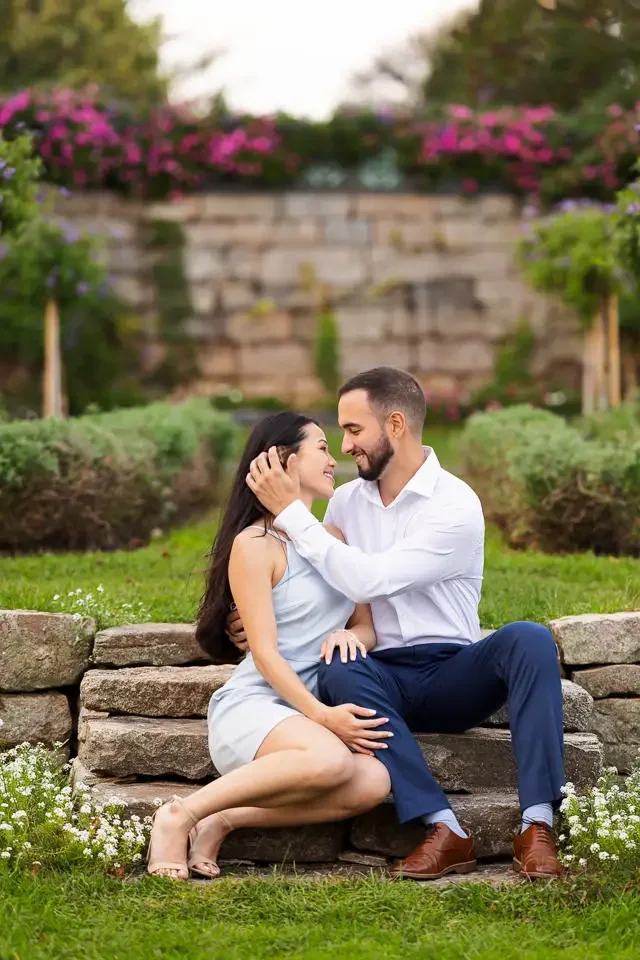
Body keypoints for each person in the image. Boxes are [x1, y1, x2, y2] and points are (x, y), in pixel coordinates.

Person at [238, 367, 566, 881]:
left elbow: (369, 579)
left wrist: (290, 514)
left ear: (394, 425)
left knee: (529, 638)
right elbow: (310, 575)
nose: (344, 446)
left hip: (456, 671)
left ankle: (538, 824)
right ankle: (444, 828)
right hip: (381, 673)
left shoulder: (455, 505)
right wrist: (260, 619)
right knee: (339, 669)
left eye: (352, 430)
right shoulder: (346, 502)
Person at [146, 412, 391, 880]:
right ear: (284, 459)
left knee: (374, 781)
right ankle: (179, 815)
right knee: (330, 758)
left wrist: (349, 635)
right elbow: (264, 652)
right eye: (321, 447)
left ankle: (224, 818)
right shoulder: (255, 544)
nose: (333, 456)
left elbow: (367, 629)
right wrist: (321, 716)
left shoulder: (333, 540)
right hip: (256, 706)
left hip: (307, 714)